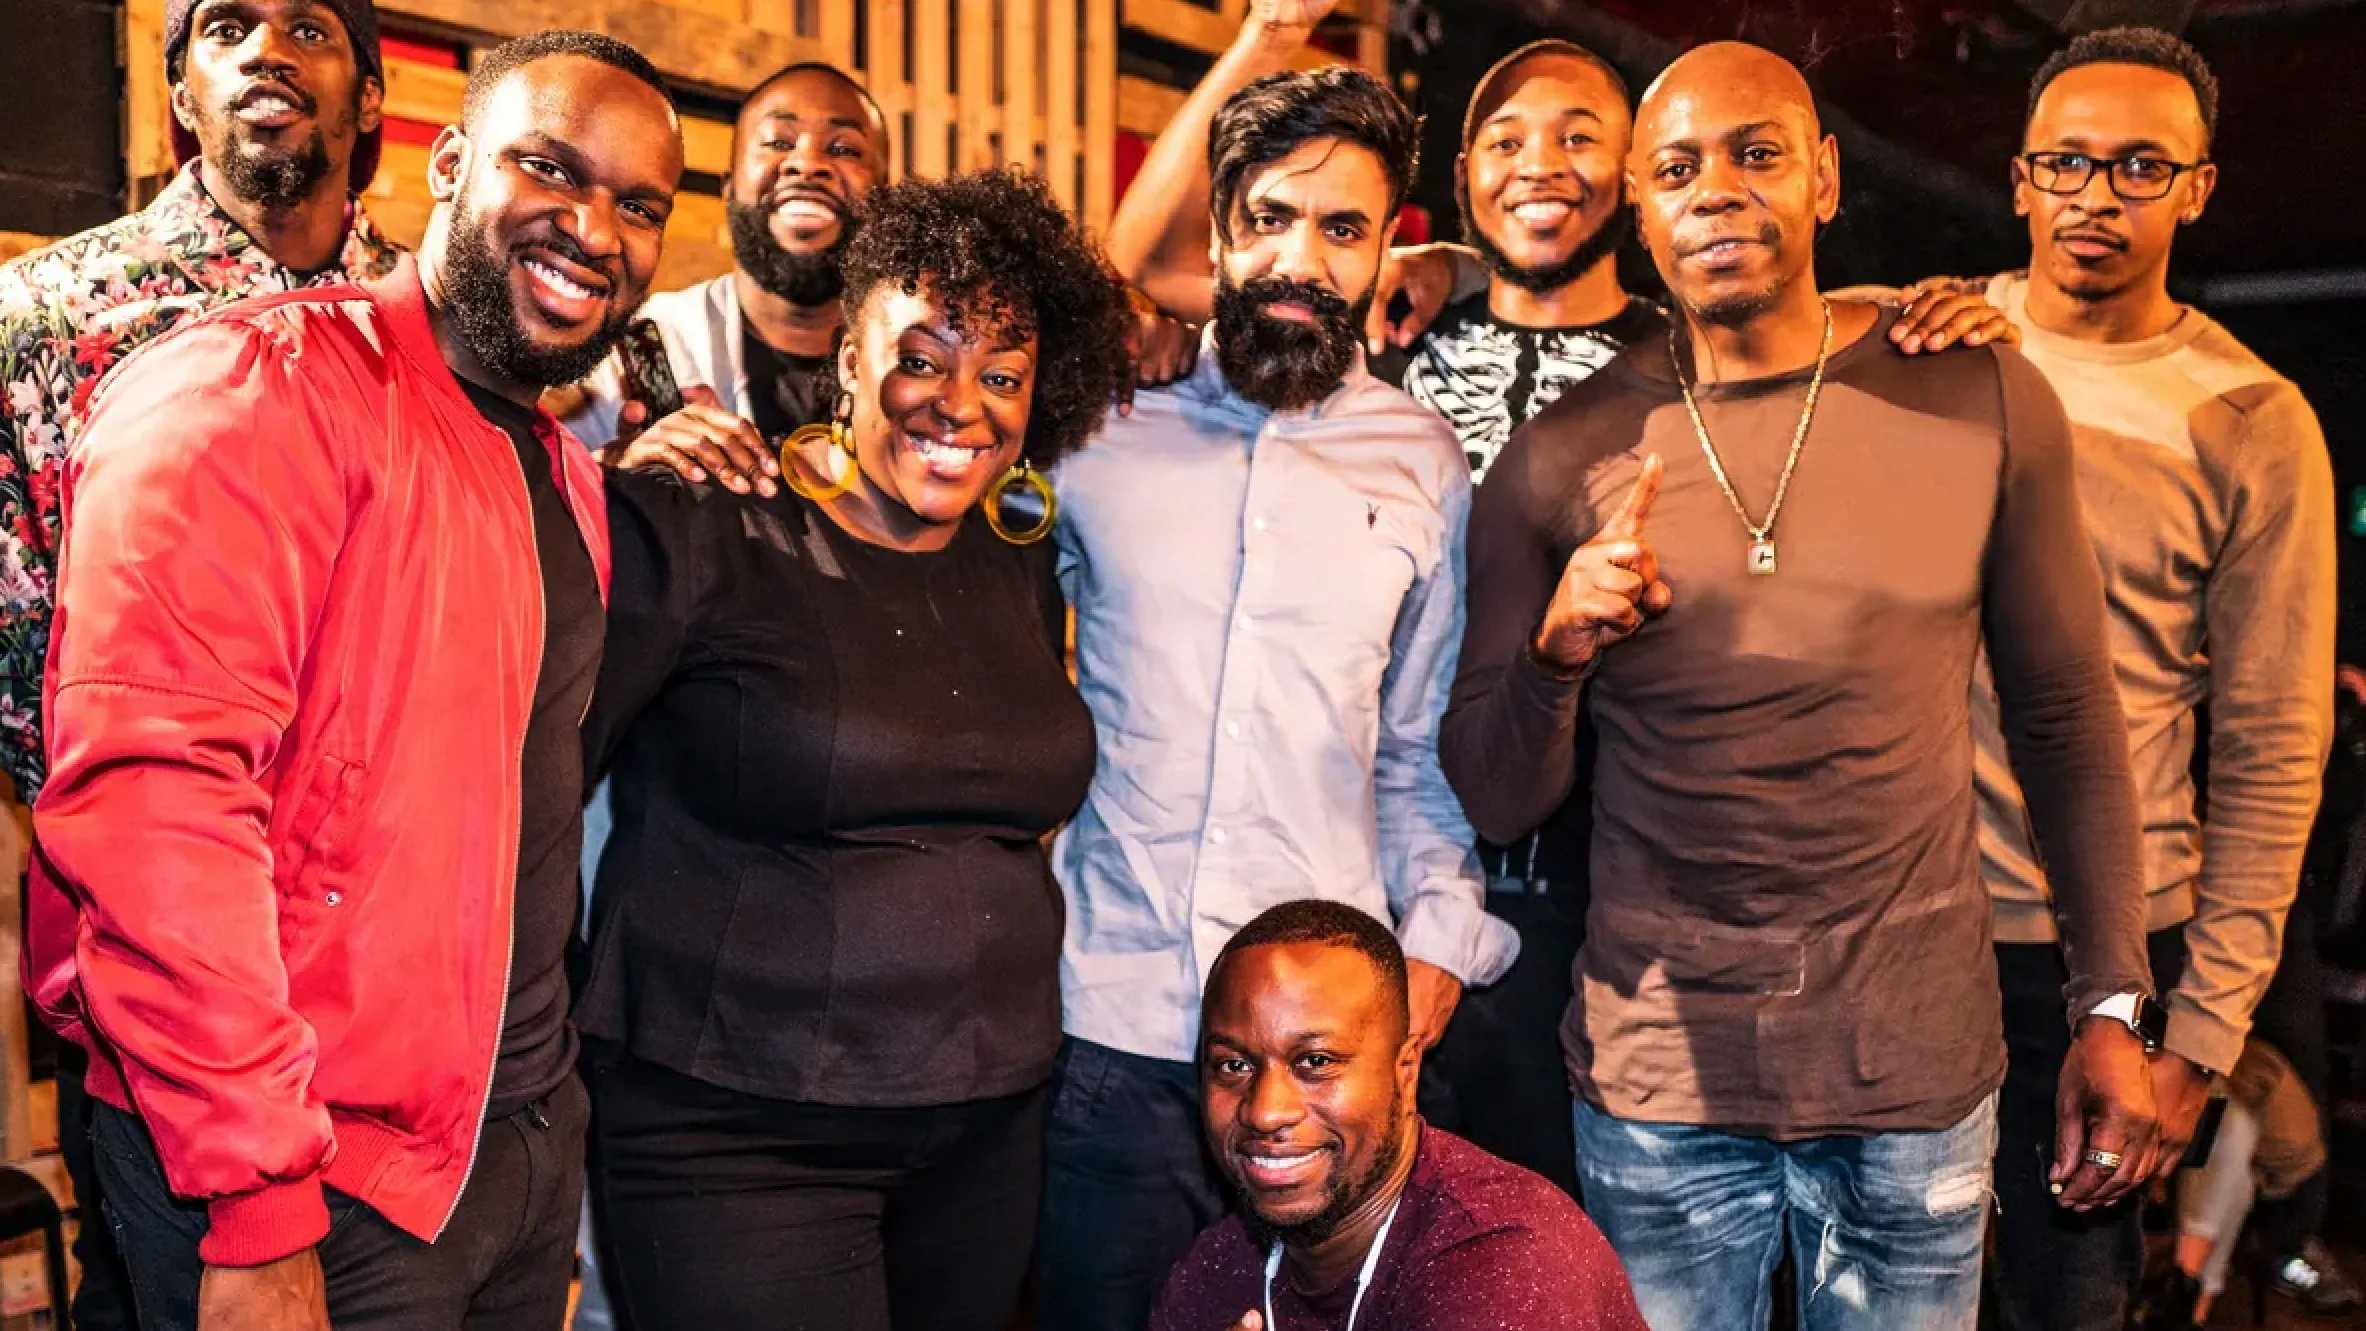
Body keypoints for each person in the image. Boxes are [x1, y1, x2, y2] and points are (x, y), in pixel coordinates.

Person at [1106, 16, 2021, 1200]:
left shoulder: (1679, 350)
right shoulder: (1393, 324)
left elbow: (1791, 325)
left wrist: (1912, 309)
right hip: (1402, 866)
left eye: (1579, 136)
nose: (1538, 162)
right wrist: (1272, 38)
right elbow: (1156, 255)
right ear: (1456, 186)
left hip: (1608, 880)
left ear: (1637, 181)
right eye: (1502, 138)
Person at [1438, 41, 2159, 1330]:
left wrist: (2110, 999)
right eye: (1673, 169)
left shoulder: (1974, 384)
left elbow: (2062, 714)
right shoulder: (1554, 461)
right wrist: (1557, 654)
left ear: (1823, 176)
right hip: (1657, 1090)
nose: (1714, 190)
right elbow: (1493, 797)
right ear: (1637, 213)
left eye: (1754, 152)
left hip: (1913, 1080)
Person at [25, 30, 681, 1331]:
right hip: (305, 1175)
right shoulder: (248, 390)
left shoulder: (561, 474)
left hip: (508, 1147)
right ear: (444, 162)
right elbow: (155, 817)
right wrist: (257, 1200)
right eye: (549, 168)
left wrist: (545, 1138)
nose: (593, 224)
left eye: (640, 203)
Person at [575, 166, 1129, 1331]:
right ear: (845, 360)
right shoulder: (709, 524)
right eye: (919, 359)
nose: (958, 405)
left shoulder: (1013, 557)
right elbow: (533, 775)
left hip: (985, 1123)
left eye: (1003, 374)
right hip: (736, 1127)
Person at [1036, 65, 1516, 1331]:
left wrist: (1433, 950)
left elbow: (1410, 752)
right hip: (1111, 1034)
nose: (1299, 258)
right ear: (1218, 234)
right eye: (1267, 218)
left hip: (1326, 1064)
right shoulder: (1097, 430)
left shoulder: (1420, 461)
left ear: (1380, 255)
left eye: (1341, 228)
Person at [1904, 29, 2333, 1331]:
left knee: (2062, 1305)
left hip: (2096, 960)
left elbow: (2269, 747)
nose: (2096, 193)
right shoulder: (1923, 343)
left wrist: (2198, 1043)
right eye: (2068, 162)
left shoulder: (2249, 417)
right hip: (1886, 928)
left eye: (2139, 166)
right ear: (2020, 179)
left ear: (2196, 186)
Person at [0, 5, 401, 1310]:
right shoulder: (45, 316)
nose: (268, 49)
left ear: (372, 94)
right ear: (179, 87)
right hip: (162, 968)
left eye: (309, 25)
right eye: (228, 23)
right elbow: (20, 670)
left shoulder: (433, 318)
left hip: (409, 970)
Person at [1151, 900, 1647, 1331]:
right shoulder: (1215, 1273)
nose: (1265, 1110)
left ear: (1405, 1072)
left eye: (1316, 1063)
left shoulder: (1505, 1265)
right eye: (1234, 1066)